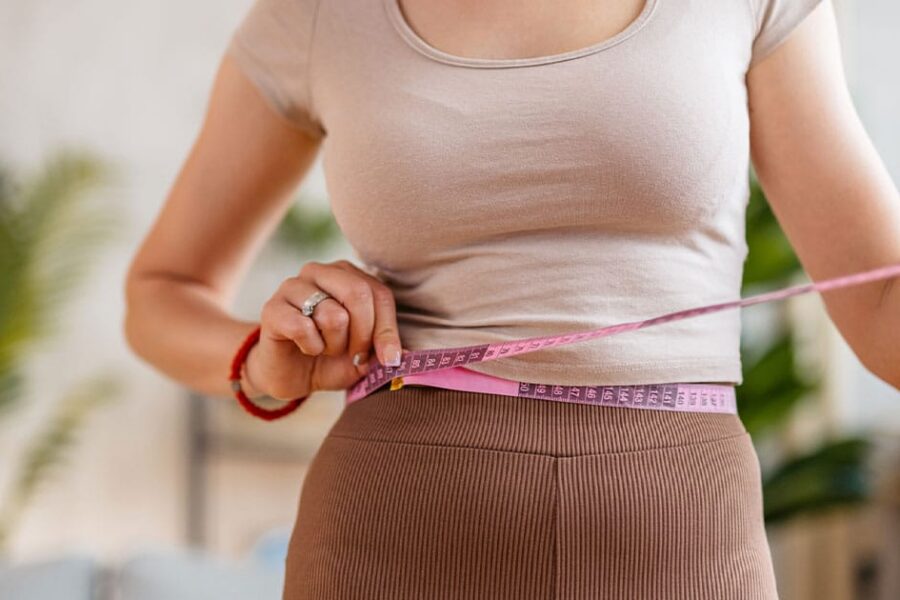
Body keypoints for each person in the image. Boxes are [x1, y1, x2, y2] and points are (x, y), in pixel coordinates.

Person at [123, 0, 900, 597]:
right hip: (387, 532)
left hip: (681, 530)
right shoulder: (325, 15)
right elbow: (160, 295)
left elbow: (880, 303)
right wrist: (262, 363)